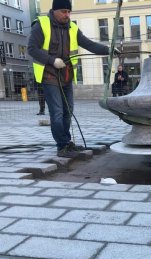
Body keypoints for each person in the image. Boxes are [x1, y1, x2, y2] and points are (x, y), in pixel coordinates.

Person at [28, 0, 115, 158]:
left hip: (66, 76)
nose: (67, 15)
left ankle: (67, 143)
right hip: (49, 75)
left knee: (68, 111)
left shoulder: (72, 28)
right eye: (63, 11)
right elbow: (32, 49)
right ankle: (62, 146)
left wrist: (108, 50)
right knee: (57, 112)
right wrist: (52, 60)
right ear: (54, 11)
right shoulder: (41, 24)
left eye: (69, 11)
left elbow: (88, 44)